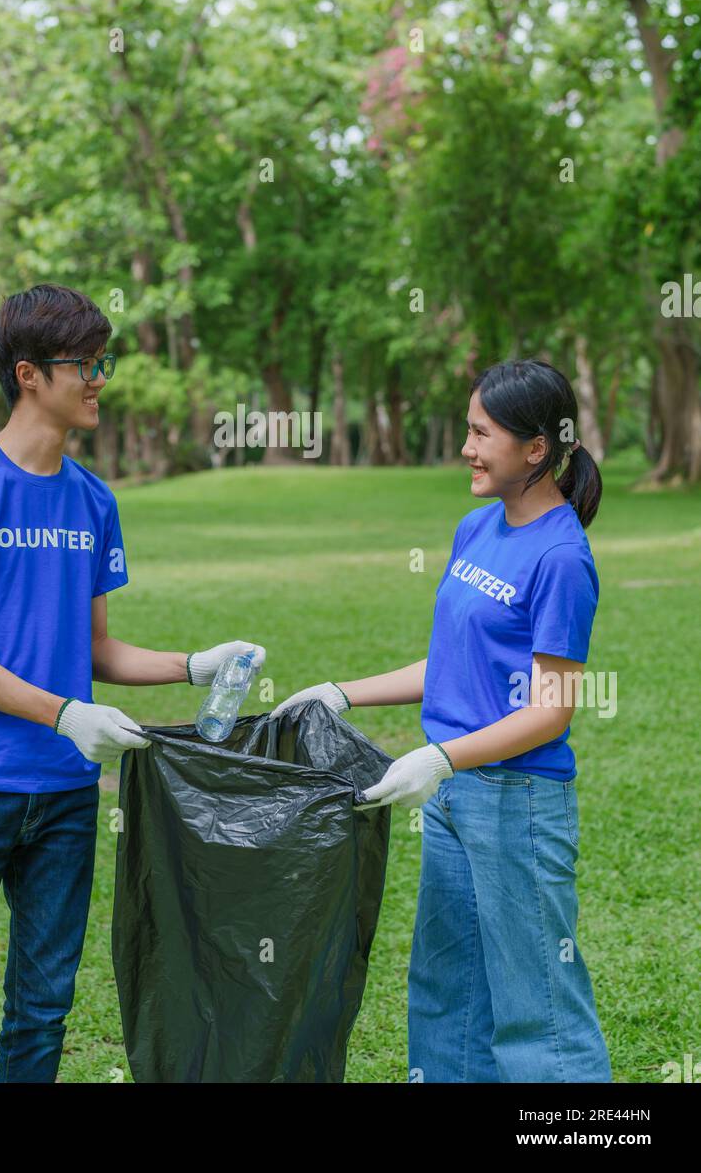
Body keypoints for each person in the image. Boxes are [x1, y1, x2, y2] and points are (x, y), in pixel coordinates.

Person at [0, 282, 265, 1083]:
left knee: (43, 1010)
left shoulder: (94, 500)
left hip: (64, 795)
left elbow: (95, 648)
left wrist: (193, 665)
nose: (99, 379)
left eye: (102, 362)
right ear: (28, 375)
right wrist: (62, 715)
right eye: (84, 364)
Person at [273, 358, 612, 1083]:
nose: (466, 448)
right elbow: (453, 665)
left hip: (516, 802)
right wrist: (340, 691)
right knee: (446, 993)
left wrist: (443, 757)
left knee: (538, 1006)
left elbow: (550, 712)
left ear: (536, 449)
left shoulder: (560, 557)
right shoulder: (477, 528)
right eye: (468, 429)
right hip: (458, 798)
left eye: (482, 433)